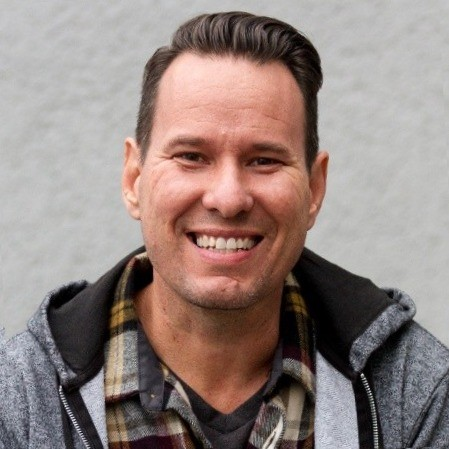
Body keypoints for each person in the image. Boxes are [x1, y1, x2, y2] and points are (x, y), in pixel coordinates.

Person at [0, 11, 448, 449]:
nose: (228, 198)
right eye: (191, 156)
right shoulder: (19, 400)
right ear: (134, 179)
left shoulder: (414, 392)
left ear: (314, 188)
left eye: (264, 160)